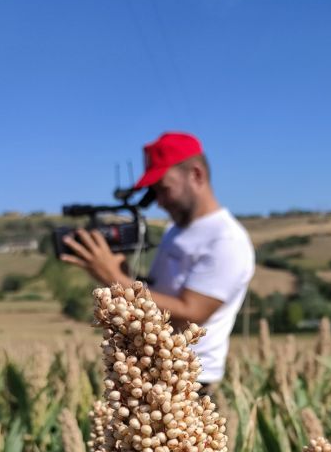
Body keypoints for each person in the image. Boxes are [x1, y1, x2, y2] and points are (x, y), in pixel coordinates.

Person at [61, 131, 255, 391]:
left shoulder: (226, 240)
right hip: (154, 371)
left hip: (188, 380)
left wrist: (114, 279)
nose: (160, 202)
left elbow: (192, 314)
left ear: (196, 175)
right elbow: (160, 294)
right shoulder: (175, 231)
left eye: (163, 189)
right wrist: (123, 274)